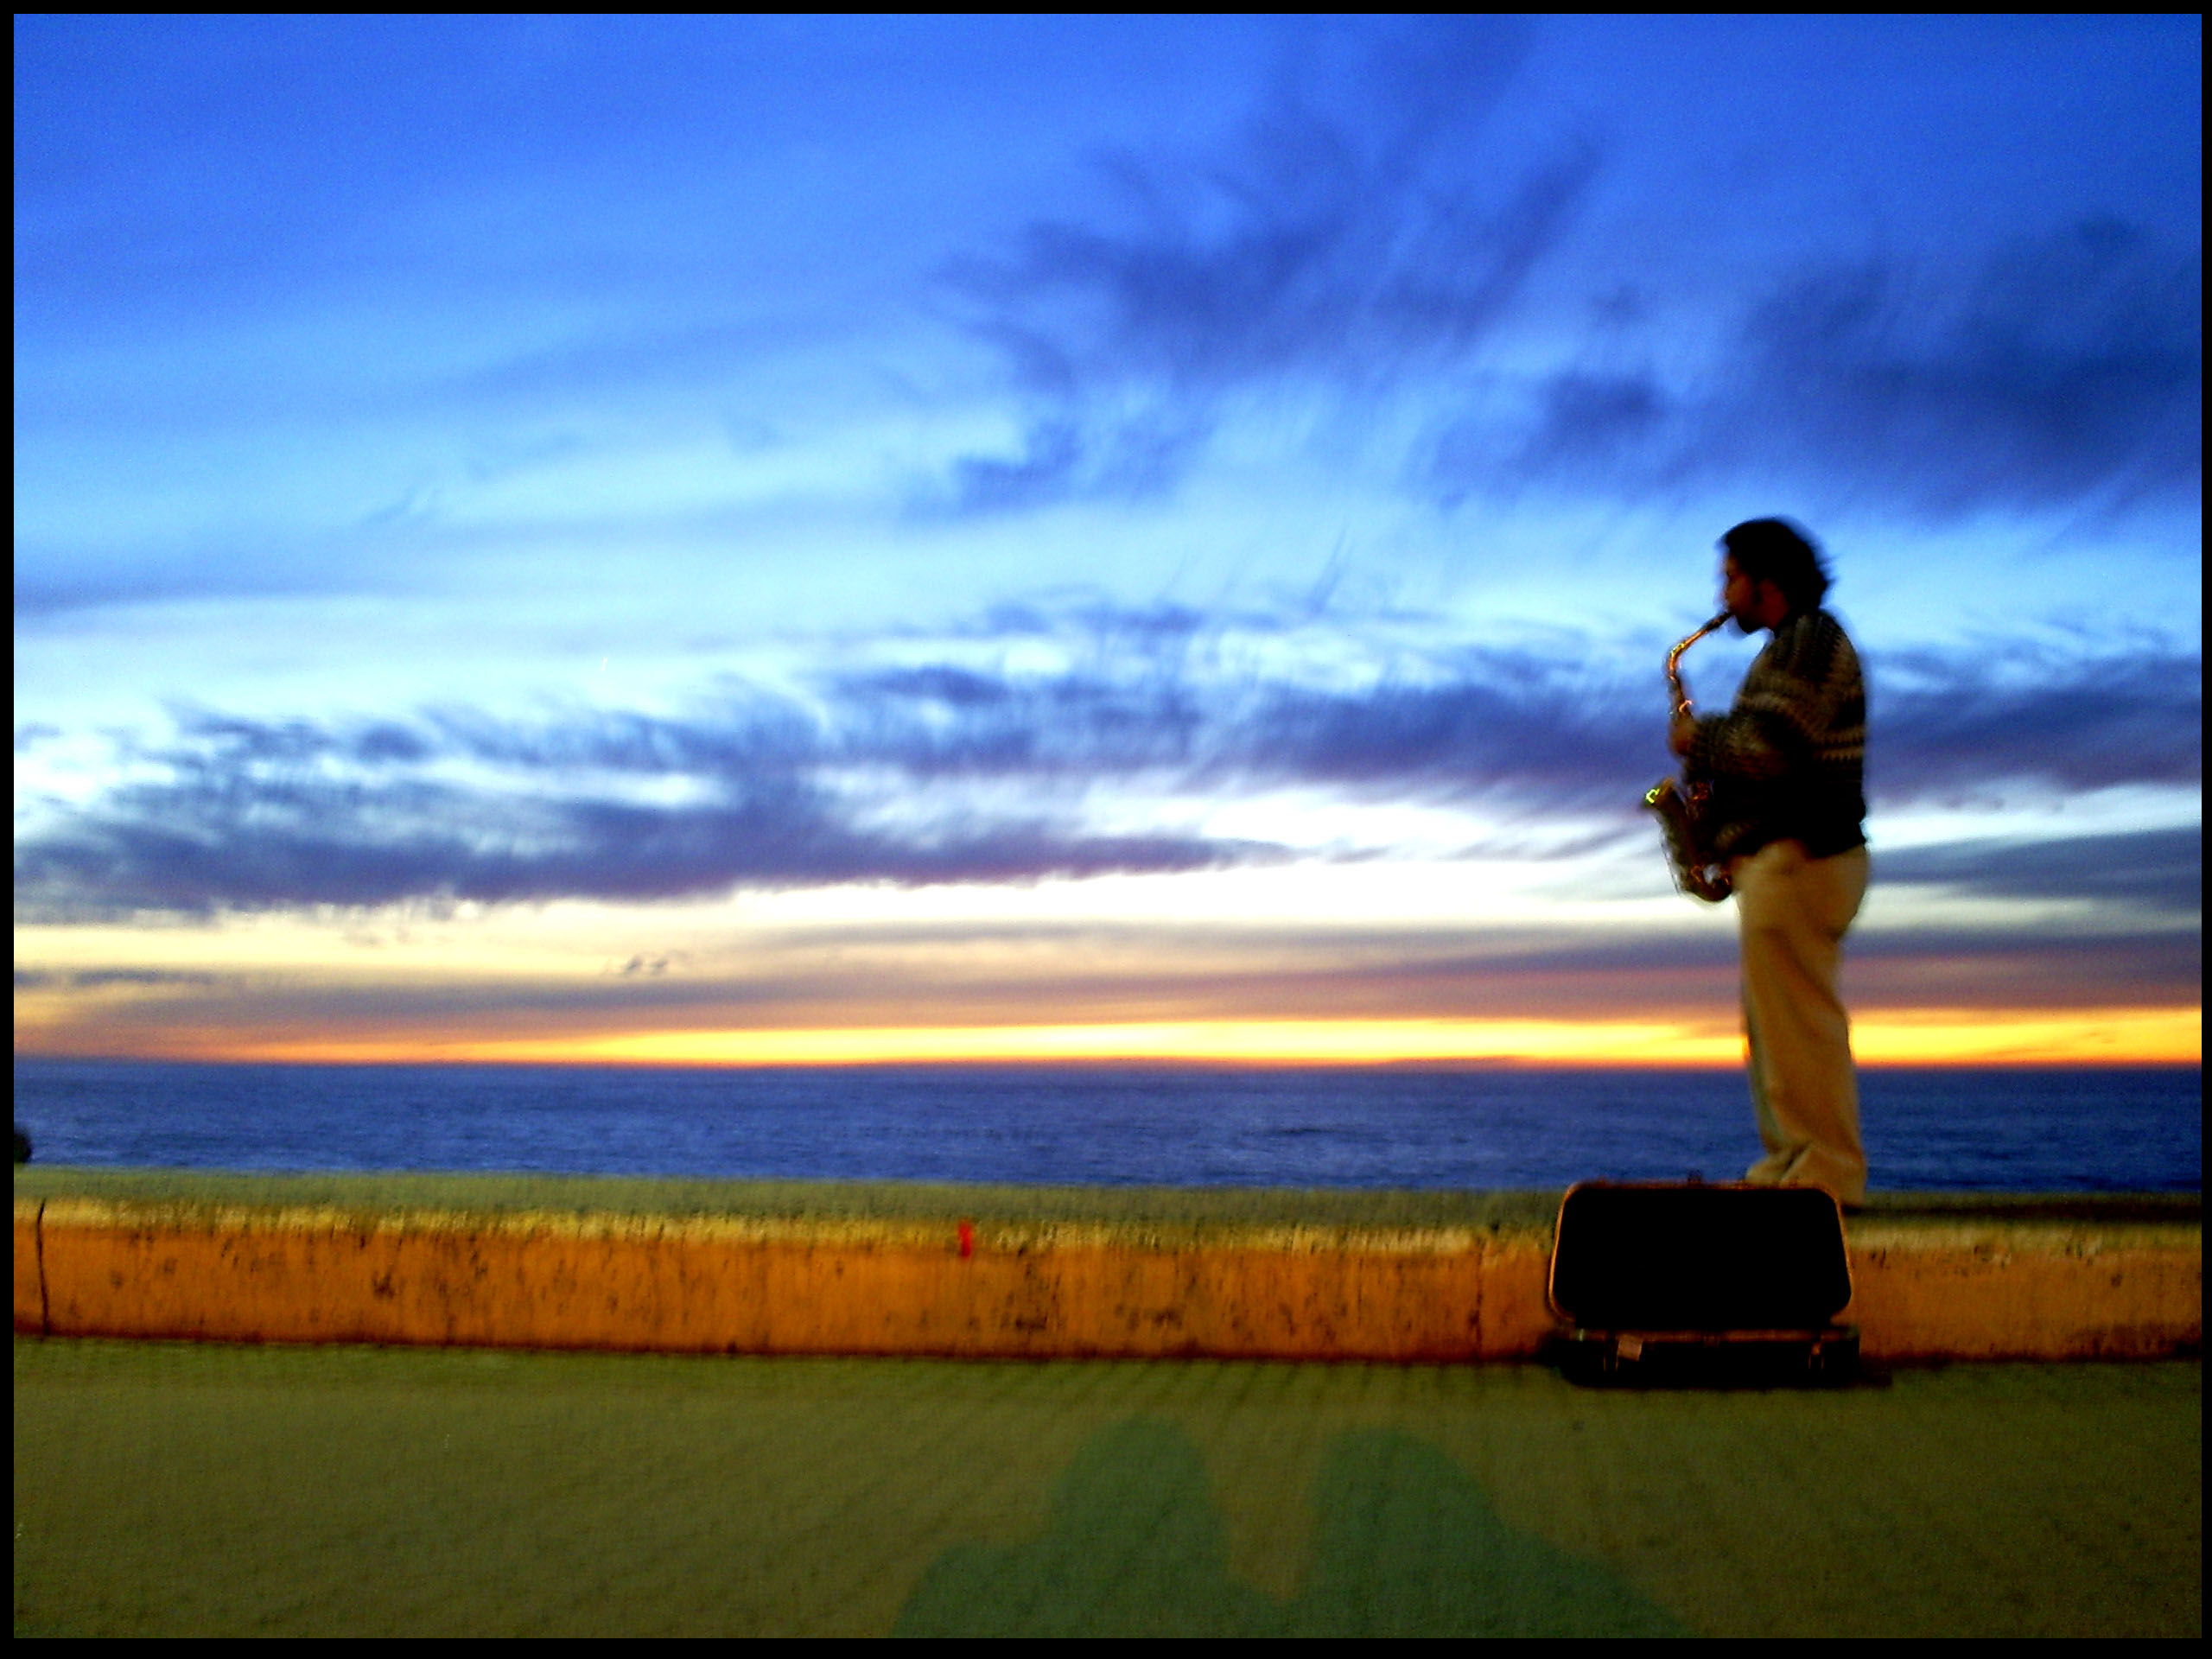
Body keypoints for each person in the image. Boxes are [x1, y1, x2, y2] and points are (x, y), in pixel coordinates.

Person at [1669, 518, 1870, 1208]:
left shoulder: (1813, 640)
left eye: (1730, 576)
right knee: (1777, 1034)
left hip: (1802, 858)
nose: (1723, 594)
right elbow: (1768, 758)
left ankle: (1826, 1174)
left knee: (1801, 1029)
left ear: (1766, 579)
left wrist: (1698, 739)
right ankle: (1792, 1164)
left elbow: (1774, 747)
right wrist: (1719, 833)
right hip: (1781, 860)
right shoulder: (1790, 648)